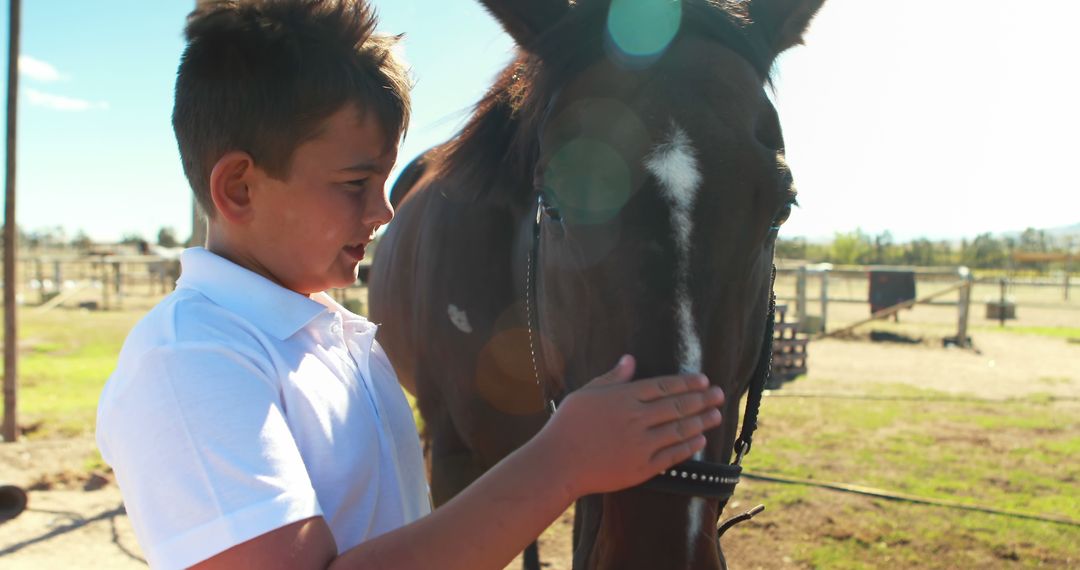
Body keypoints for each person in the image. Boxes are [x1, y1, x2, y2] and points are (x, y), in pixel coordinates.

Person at [95, 1, 726, 569]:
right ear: (239, 188)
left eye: (385, 181)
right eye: (355, 183)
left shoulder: (332, 337)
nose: (384, 211)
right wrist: (561, 463)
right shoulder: (190, 363)